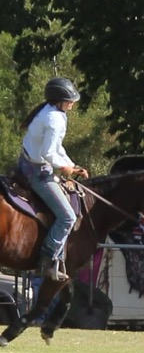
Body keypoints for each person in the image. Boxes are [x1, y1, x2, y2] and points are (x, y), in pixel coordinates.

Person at [18, 77, 89, 281]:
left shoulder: (53, 112)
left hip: (28, 162)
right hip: (38, 172)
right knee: (68, 216)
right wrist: (65, 168)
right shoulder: (54, 119)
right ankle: (47, 260)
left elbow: (57, 148)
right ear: (59, 100)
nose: (72, 103)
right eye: (69, 100)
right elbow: (49, 152)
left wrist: (72, 165)